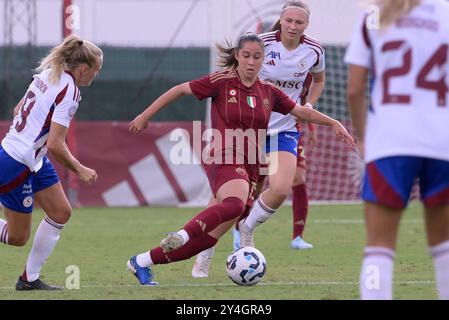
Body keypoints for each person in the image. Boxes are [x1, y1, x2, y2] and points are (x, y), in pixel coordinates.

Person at [126, 32, 354, 286]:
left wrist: (333, 122)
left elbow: (299, 111)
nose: (251, 62)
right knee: (235, 206)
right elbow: (180, 90)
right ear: (237, 56)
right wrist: (145, 116)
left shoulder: (268, 92)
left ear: (263, 59)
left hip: (250, 165)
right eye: (246, 56)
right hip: (222, 156)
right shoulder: (221, 82)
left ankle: (142, 262)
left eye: (257, 57)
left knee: (209, 238)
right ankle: (180, 234)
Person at [191, 0, 325, 278]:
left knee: (281, 187)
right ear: (281, 19)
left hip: (284, 128)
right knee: (225, 199)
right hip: (249, 130)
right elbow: (234, 73)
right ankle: (205, 251)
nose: (292, 26)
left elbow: (319, 80)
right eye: (288, 20)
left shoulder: (314, 50)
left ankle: (247, 228)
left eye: (299, 22)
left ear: (306, 25)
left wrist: (310, 105)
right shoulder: (262, 45)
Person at [345, 0, 449, 299]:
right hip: (442, 141)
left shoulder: (374, 15)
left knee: (379, 247)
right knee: (443, 245)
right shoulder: (445, 13)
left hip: (390, 142)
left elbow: (354, 88)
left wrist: (364, 138)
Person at [0, 35, 102, 290]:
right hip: (17, 163)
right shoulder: (71, 90)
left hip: (32, 158)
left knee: (60, 212)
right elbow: (56, 144)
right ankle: (29, 280)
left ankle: (29, 280)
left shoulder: (48, 73)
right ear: (83, 69)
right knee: (17, 237)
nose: (96, 75)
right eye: (96, 70)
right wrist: (81, 169)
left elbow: (17, 111)